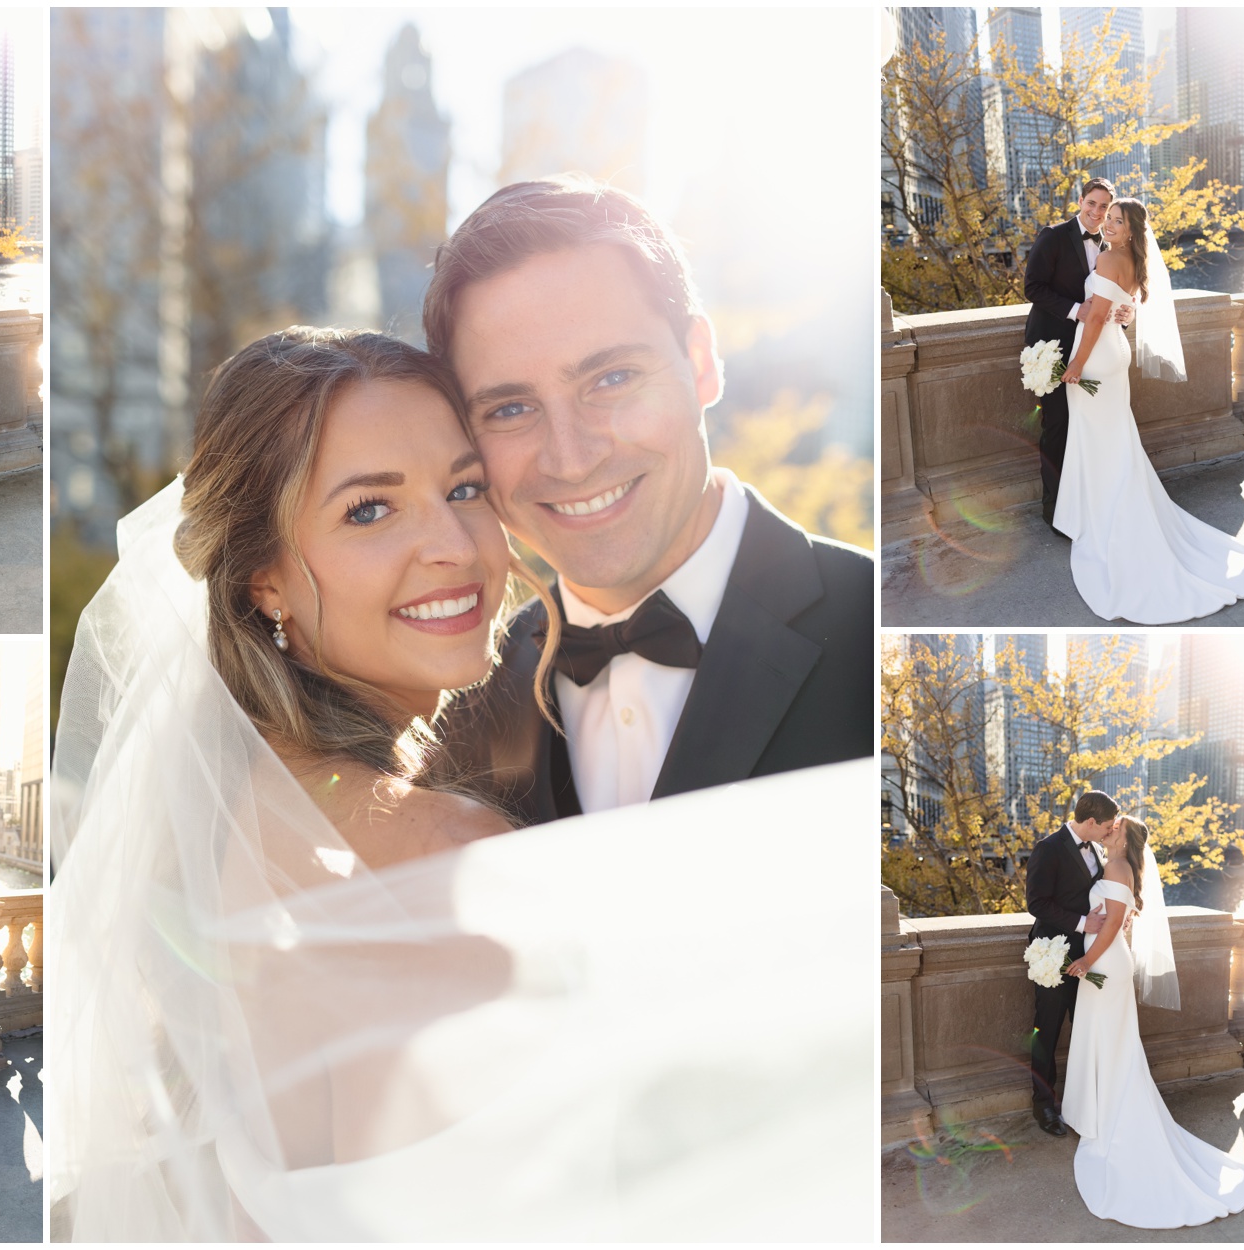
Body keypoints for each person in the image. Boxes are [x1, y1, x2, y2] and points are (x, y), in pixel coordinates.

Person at [48, 327, 866, 1239]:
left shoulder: (215, 821)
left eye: (464, 488)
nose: (453, 544)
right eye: (369, 510)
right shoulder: (447, 854)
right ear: (262, 579)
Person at [422, 176, 873, 823]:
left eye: (611, 378)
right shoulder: (459, 703)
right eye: (512, 408)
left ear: (701, 364)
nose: (571, 459)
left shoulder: (870, 631)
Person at [1055, 197, 1244, 622]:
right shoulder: (1134, 262)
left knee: (1099, 441)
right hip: (1115, 356)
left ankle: (1106, 521)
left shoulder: (1109, 260)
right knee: (1113, 439)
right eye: (1108, 218)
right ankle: (1106, 512)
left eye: (1117, 221)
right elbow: (1125, 311)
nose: (1109, 225)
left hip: (1095, 357)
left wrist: (1075, 365)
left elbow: (1095, 319)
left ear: (1132, 230)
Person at [1061, 815, 1244, 1227]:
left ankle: (1115, 1118)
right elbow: (1115, 914)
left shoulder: (1117, 867)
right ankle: (1105, 1112)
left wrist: (1084, 960)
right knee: (1109, 1042)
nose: (1109, 828)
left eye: (1115, 827)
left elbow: (1114, 923)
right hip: (1106, 962)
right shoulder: (1113, 865)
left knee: (1111, 1042)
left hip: (1104, 964)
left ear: (1124, 836)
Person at [1022, 178, 1134, 527]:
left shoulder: (1110, 245)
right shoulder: (1053, 235)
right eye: (1092, 204)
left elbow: (1115, 297)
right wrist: (1075, 310)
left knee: (1089, 428)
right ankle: (1055, 511)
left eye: (1105, 208)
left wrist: (1127, 313)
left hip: (1094, 352)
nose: (1097, 213)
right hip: (1053, 346)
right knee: (1057, 426)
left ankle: (1087, 505)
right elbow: (1033, 287)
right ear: (1081, 200)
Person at [1024, 790, 1115, 1137]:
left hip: (1090, 956)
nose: (1108, 832)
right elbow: (1036, 902)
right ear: (1090, 822)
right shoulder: (1048, 848)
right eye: (1105, 826)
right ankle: (1043, 1105)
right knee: (1045, 1030)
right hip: (1053, 952)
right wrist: (1081, 923)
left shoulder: (1097, 849)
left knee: (1086, 1026)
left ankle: (1083, 1101)